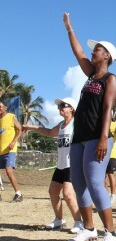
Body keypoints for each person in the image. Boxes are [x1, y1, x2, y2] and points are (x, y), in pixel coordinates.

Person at [63, 12, 116, 241]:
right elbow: (79, 53)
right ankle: (89, 229)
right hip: (80, 136)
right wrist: (69, 29)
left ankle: (111, 233)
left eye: (97, 49)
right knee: (78, 183)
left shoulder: (110, 78)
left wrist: (104, 137)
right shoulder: (90, 75)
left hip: (98, 136)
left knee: (96, 183)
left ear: (107, 55)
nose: (93, 52)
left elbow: (108, 109)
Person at [22, 98, 83, 233]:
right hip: (61, 165)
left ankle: (79, 222)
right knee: (53, 192)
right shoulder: (61, 125)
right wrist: (31, 127)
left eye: (63, 105)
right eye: (59, 106)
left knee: (68, 194)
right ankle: (59, 219)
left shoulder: (76, 123)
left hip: (71, 164)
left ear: (72, 108)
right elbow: (49, 132)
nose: (60, 108)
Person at [0, 100, 23, 203]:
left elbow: (20, 129)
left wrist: (14, 141)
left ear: (5, 107)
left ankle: (18, 194)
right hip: (1, 150)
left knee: (9, 171)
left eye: (0, 107)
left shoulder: (11, 116)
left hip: (10, 150)